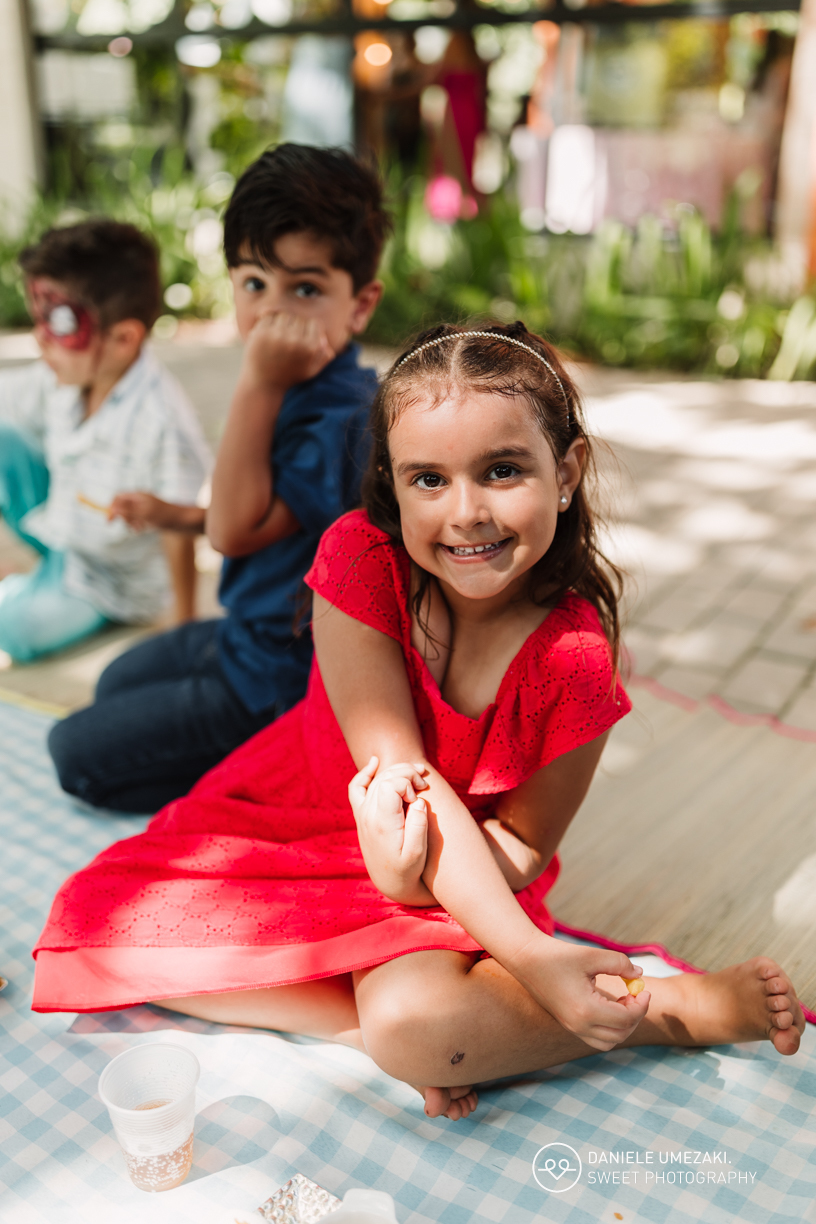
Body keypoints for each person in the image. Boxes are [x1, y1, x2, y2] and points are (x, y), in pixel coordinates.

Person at [33, 324, 804, 1121]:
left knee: (415, 1020)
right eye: (428, 479)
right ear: (392, 485)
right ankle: (363, 1033)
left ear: (567, 471)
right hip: (298, 820)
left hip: (463, 886)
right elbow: (398, 777)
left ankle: (674, 1011)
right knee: (95, 918)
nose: (466, 512)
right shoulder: (361, 560)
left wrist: (493, 933)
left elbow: (525, 843)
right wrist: (500, 943)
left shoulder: (574, 659)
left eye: (503, 471)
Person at [47, 144, 387, 814]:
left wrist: (257, 384)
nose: (273, 313)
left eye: (307, 289)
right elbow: (267, 520)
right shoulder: (301, 383)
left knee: (74, 755)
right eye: (255, 283)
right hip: (243, 635)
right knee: (116, 679)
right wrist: (173, 514)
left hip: (281, 680)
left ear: (360, 305)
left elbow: (235, 533)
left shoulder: (337, 417)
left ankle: (262, 772)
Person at [0, 219, 211, 662]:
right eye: (38, 315)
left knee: (15, 630)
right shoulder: (64, 374)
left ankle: (35, 592)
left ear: (123, 338)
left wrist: (185, 624)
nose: (40, 336)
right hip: (63, 527)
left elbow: (179, 529)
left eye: (57, 321)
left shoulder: (161, 421)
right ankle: (33, 582)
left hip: (111, 581)